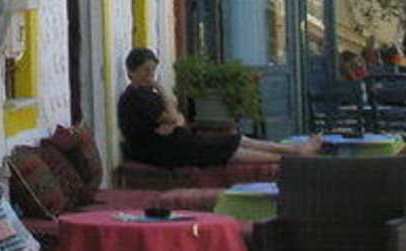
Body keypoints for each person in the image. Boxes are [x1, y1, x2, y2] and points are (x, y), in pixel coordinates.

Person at [117, 47, 313, 169]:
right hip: (161, 151)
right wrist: (162, 91)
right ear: (131, 71)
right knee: (225, 147)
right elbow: (172, 116)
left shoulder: (146, 94)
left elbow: (177, 118)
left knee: (235, 139)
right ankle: (287, 158)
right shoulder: (135, 97)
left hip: (174, 142)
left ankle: (292, 150)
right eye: (145, 70)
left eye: (152, 70)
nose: (150, 75)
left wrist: (173, 121)